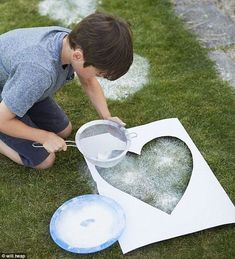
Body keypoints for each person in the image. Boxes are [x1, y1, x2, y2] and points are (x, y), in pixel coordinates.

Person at [0, 12, 133, 169]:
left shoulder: (74, 42)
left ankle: (20, 106)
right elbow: (2, 120)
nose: (96, 77)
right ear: (78, 56)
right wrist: (44, 136)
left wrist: (106, 117)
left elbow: (88, 80)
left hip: (18, 82)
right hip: (9, 95)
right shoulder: (38, 73)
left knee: (64, 130)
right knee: (45, 161)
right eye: (98, 73)